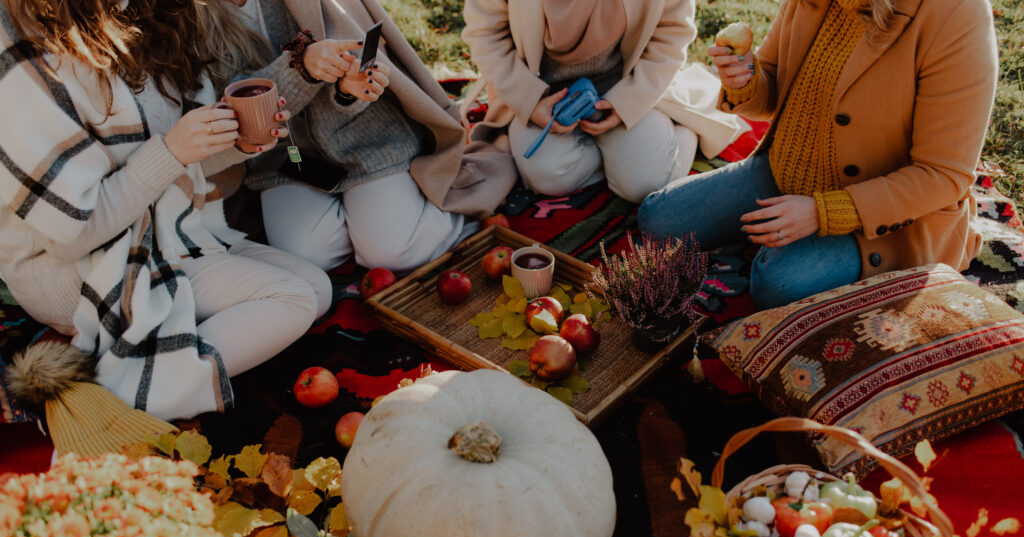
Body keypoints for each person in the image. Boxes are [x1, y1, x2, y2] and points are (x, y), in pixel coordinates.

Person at [0, 0, 332, 420]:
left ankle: (149, 343)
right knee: (294, 299)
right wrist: (172, 151)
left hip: (163, 227)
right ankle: (126, 393)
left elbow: (178, 162)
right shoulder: (25, 54)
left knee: (317, 290)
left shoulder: (154, 13)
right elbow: (73, 234)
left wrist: (236, 144)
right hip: (81, 266)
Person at [637, 0, 999, 309]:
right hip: (784, 171)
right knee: (658, 220)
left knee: (776, 283)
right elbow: (776, 83)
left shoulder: (956, 14)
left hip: (882, 216)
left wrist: (822, 212)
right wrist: (746, 78)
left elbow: (944, 174)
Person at [204, 0, 517, 274]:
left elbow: (358, 59)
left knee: (391, 252)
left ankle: (455, 197)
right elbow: (234, 107)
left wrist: (347, 89)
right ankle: (376, 219)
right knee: (308, 256)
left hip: (364, 139)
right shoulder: (190, 16)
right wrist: (300, 68)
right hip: (287, 159)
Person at [461, 0, 749, 204]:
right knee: (546, 177)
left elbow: (672, 33)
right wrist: (530, 100)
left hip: (628, 83)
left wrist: (626, 105)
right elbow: (485, 35)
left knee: (645, 184)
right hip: (544, 94)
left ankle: (682, 129)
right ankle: (622, 157)